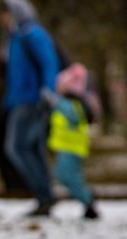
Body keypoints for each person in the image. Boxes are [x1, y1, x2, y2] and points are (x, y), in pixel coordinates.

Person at [0, 0, 59, 216]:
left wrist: (48, 90)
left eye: (6, 12)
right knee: (32, 148)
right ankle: (45, 197)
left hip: (32, 99)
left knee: (16, 147)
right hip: (19, 99)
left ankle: (44, 193)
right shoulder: (14, 38)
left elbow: (49, 62)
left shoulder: (32, 34)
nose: (2, 18)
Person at [48, 64, 99, 219]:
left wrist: (54, 102)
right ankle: (87, 198)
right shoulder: (69, 104)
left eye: (61, 85)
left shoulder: (71, 104)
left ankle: (87, 198)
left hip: (72, 147)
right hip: (66, 147)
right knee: (63, 176)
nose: (58, 88)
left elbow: (70, 115)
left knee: (67, 177)